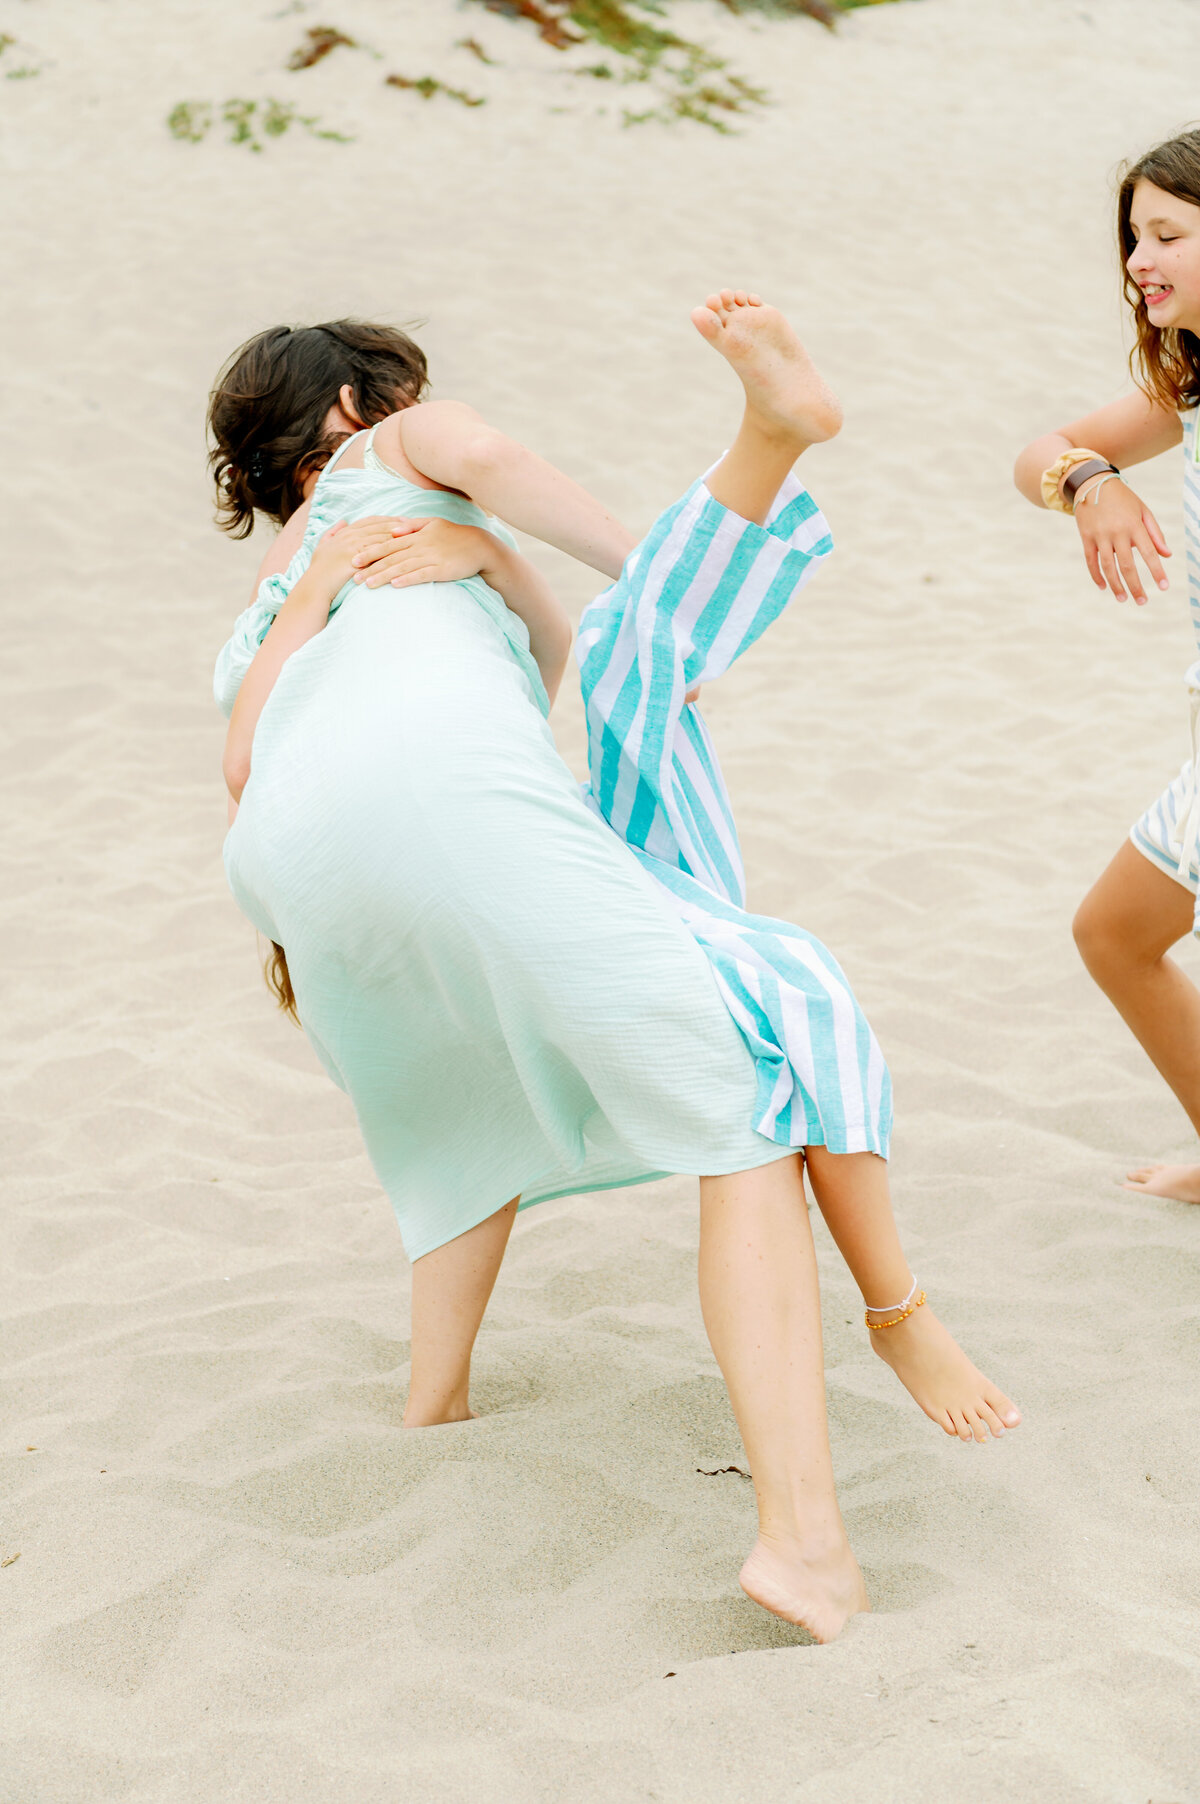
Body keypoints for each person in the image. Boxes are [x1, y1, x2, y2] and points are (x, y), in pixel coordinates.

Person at [211, 291, 1020, 1643]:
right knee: (748, 1106)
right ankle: (808, 1542)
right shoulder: (409, 447)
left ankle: (433, 1403)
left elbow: (245, 768)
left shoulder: (272, 592)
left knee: (451, 1113)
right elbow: (540, 519)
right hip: (453, 804)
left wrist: (413, 581)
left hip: (301, 881)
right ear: (352, 407)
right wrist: (651, 576)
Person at [1015, 130, 1200, 1205]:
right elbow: (1036, 449)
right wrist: (1090, 481)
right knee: (1117, 933)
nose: (1139, 258)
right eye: (1135, 235)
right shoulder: (1188, 387)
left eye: (1168, 233)